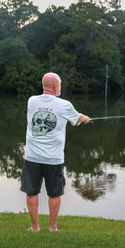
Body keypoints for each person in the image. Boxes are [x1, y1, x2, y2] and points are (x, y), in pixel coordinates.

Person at [20, 72, 91, 232]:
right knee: (54, 193)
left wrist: (79, 117)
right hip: (54, 159)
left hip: (32, 158)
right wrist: (83, 119)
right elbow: (77, 120)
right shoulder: (64, 105)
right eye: (59, 84)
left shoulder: (31, 101)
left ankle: (35, 227)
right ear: (55, 86)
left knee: (31, 192)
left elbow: (70, 117)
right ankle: (52, 228)